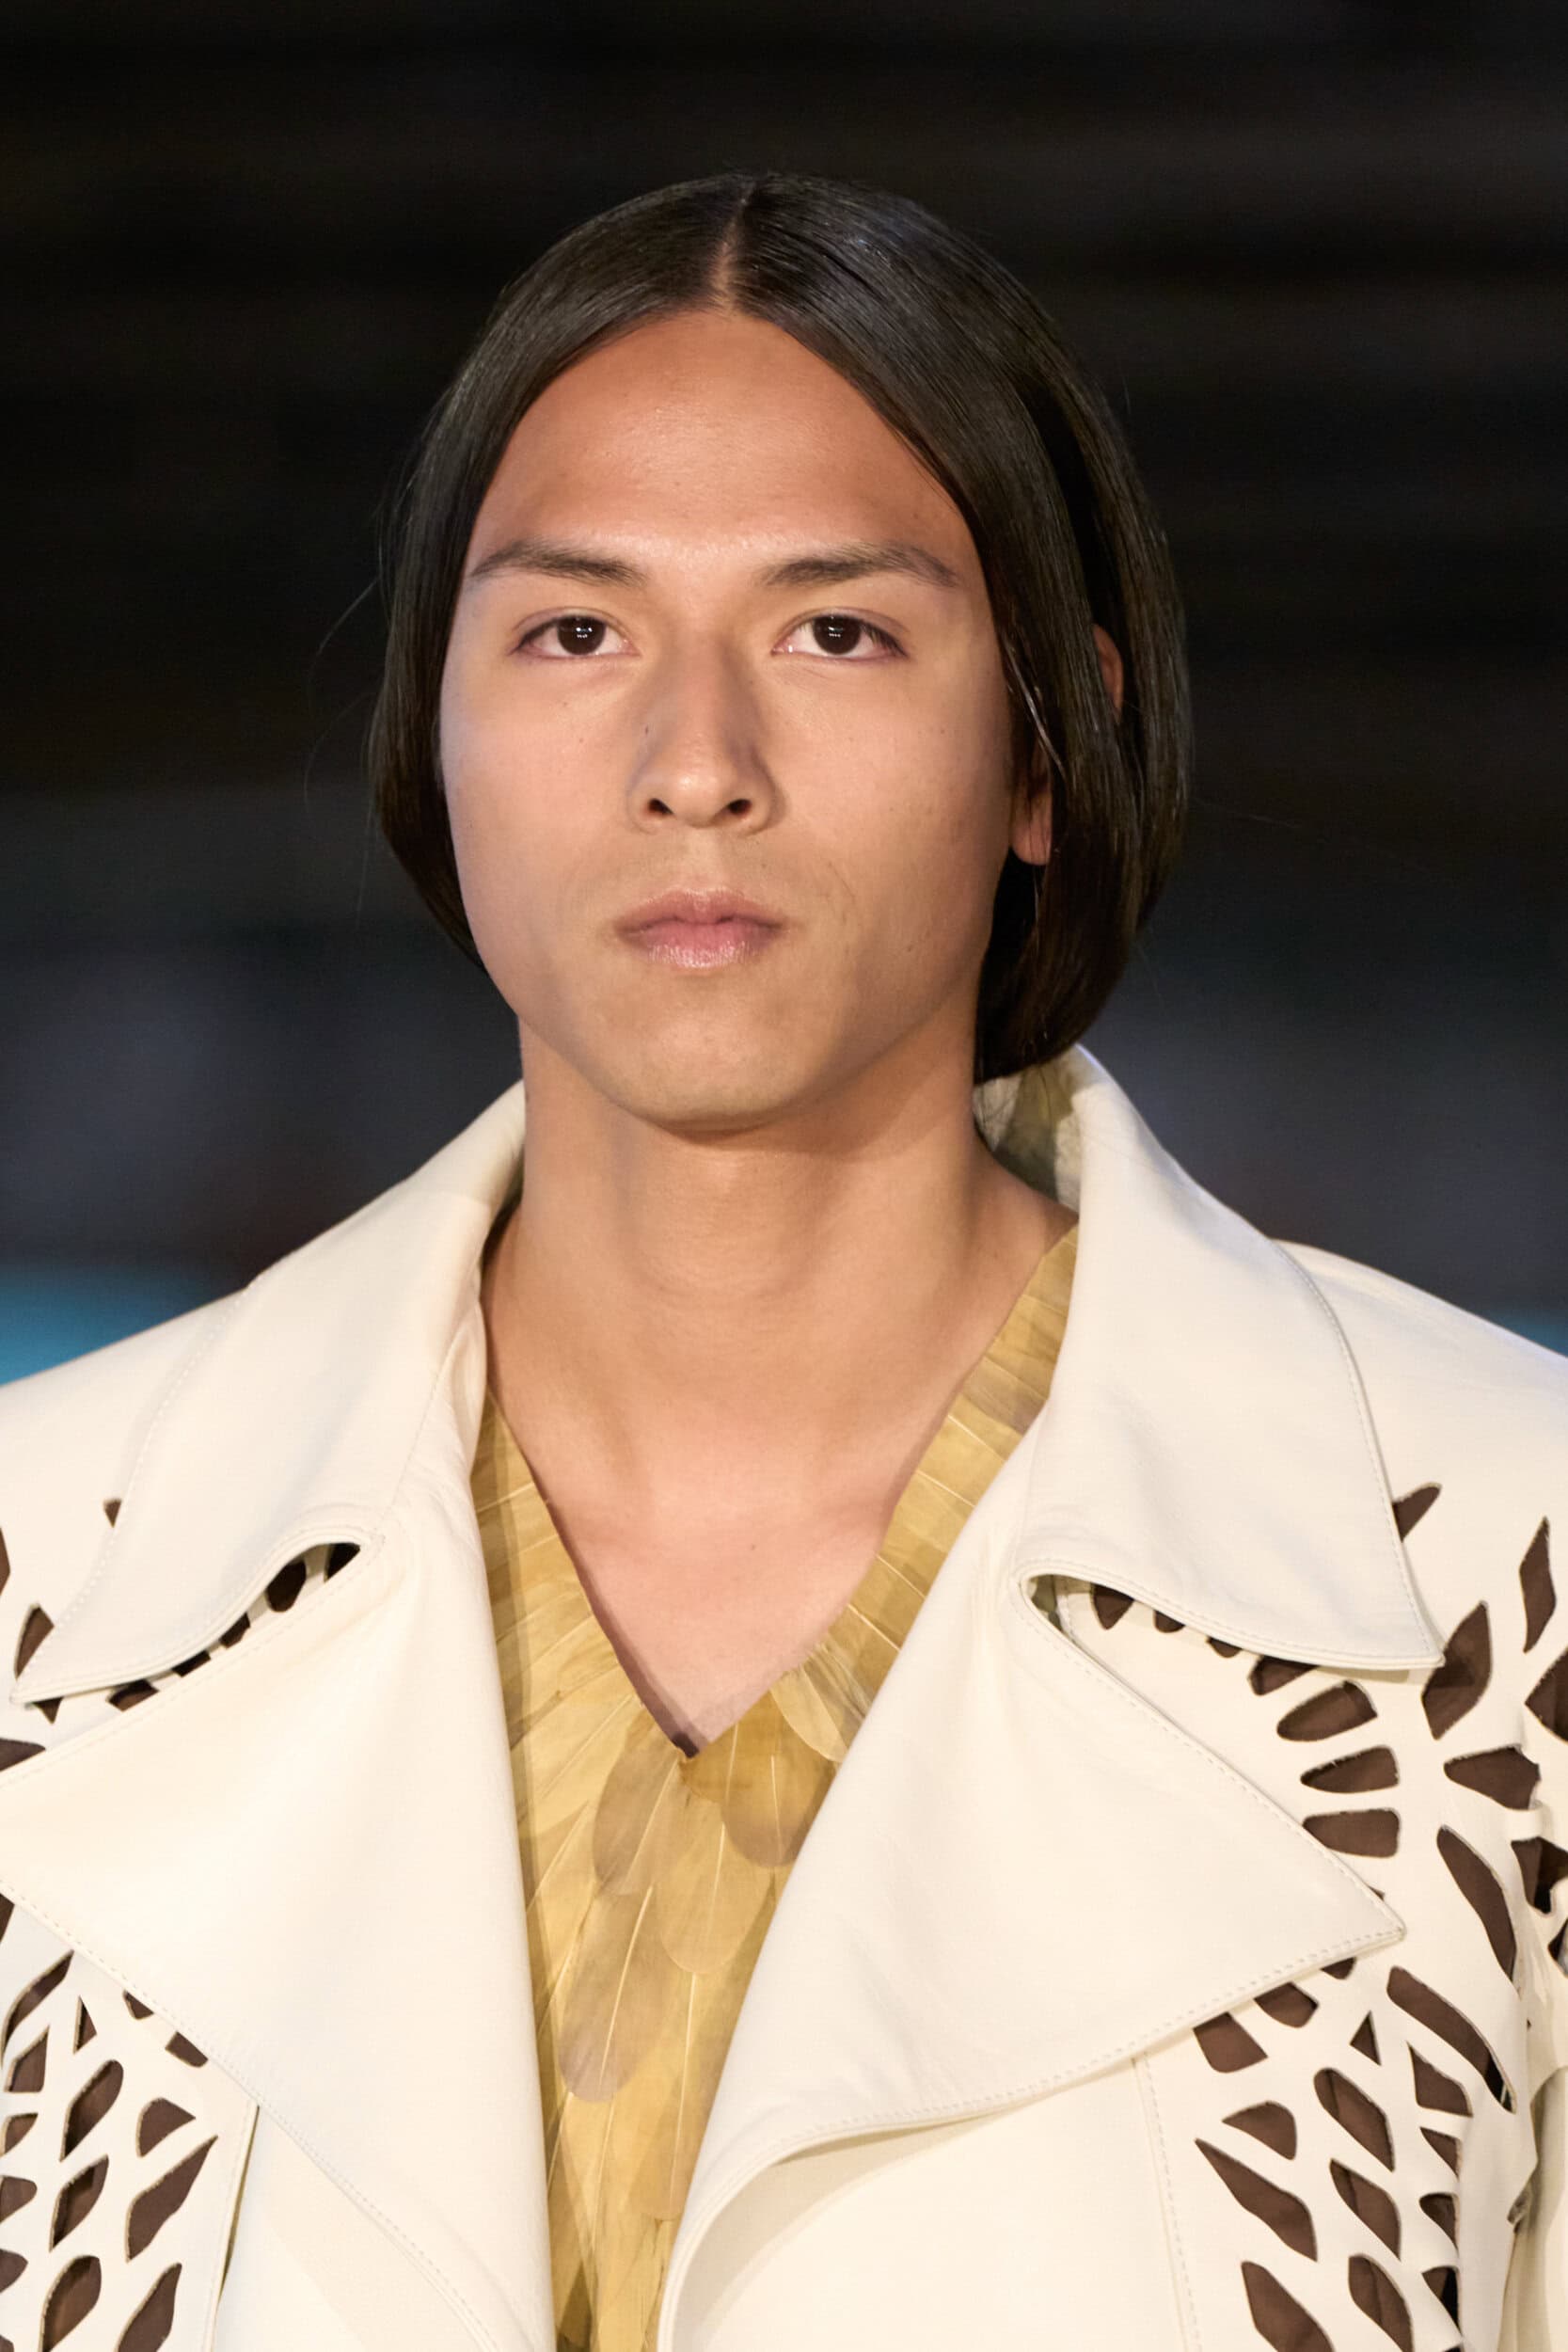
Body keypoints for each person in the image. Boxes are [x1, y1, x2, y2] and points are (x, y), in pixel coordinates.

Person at [0, 170, 1561, 2352]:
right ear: (433, 726)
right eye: (575, 633)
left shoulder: (1507, 1583)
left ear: (1048, 743)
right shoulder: (41, 1576)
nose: (697, 767)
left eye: (838, 633)